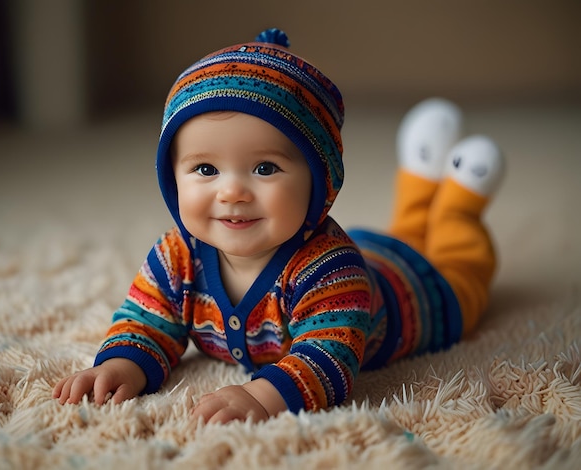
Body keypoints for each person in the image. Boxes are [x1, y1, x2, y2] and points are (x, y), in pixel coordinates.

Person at [53, 28, 505, 424]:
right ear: (172, 177)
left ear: (320, 183)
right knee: (401, 232)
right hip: (373, 248)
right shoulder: (177, 256)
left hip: (423, 291)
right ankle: (421, 177)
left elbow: (329, 357)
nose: (232, 192)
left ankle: (459, 202)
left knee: (459, 260)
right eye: (205, 170)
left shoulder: (330, 270)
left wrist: (263, 396)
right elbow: (146, 320)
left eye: (265, 168)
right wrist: (121, 363)